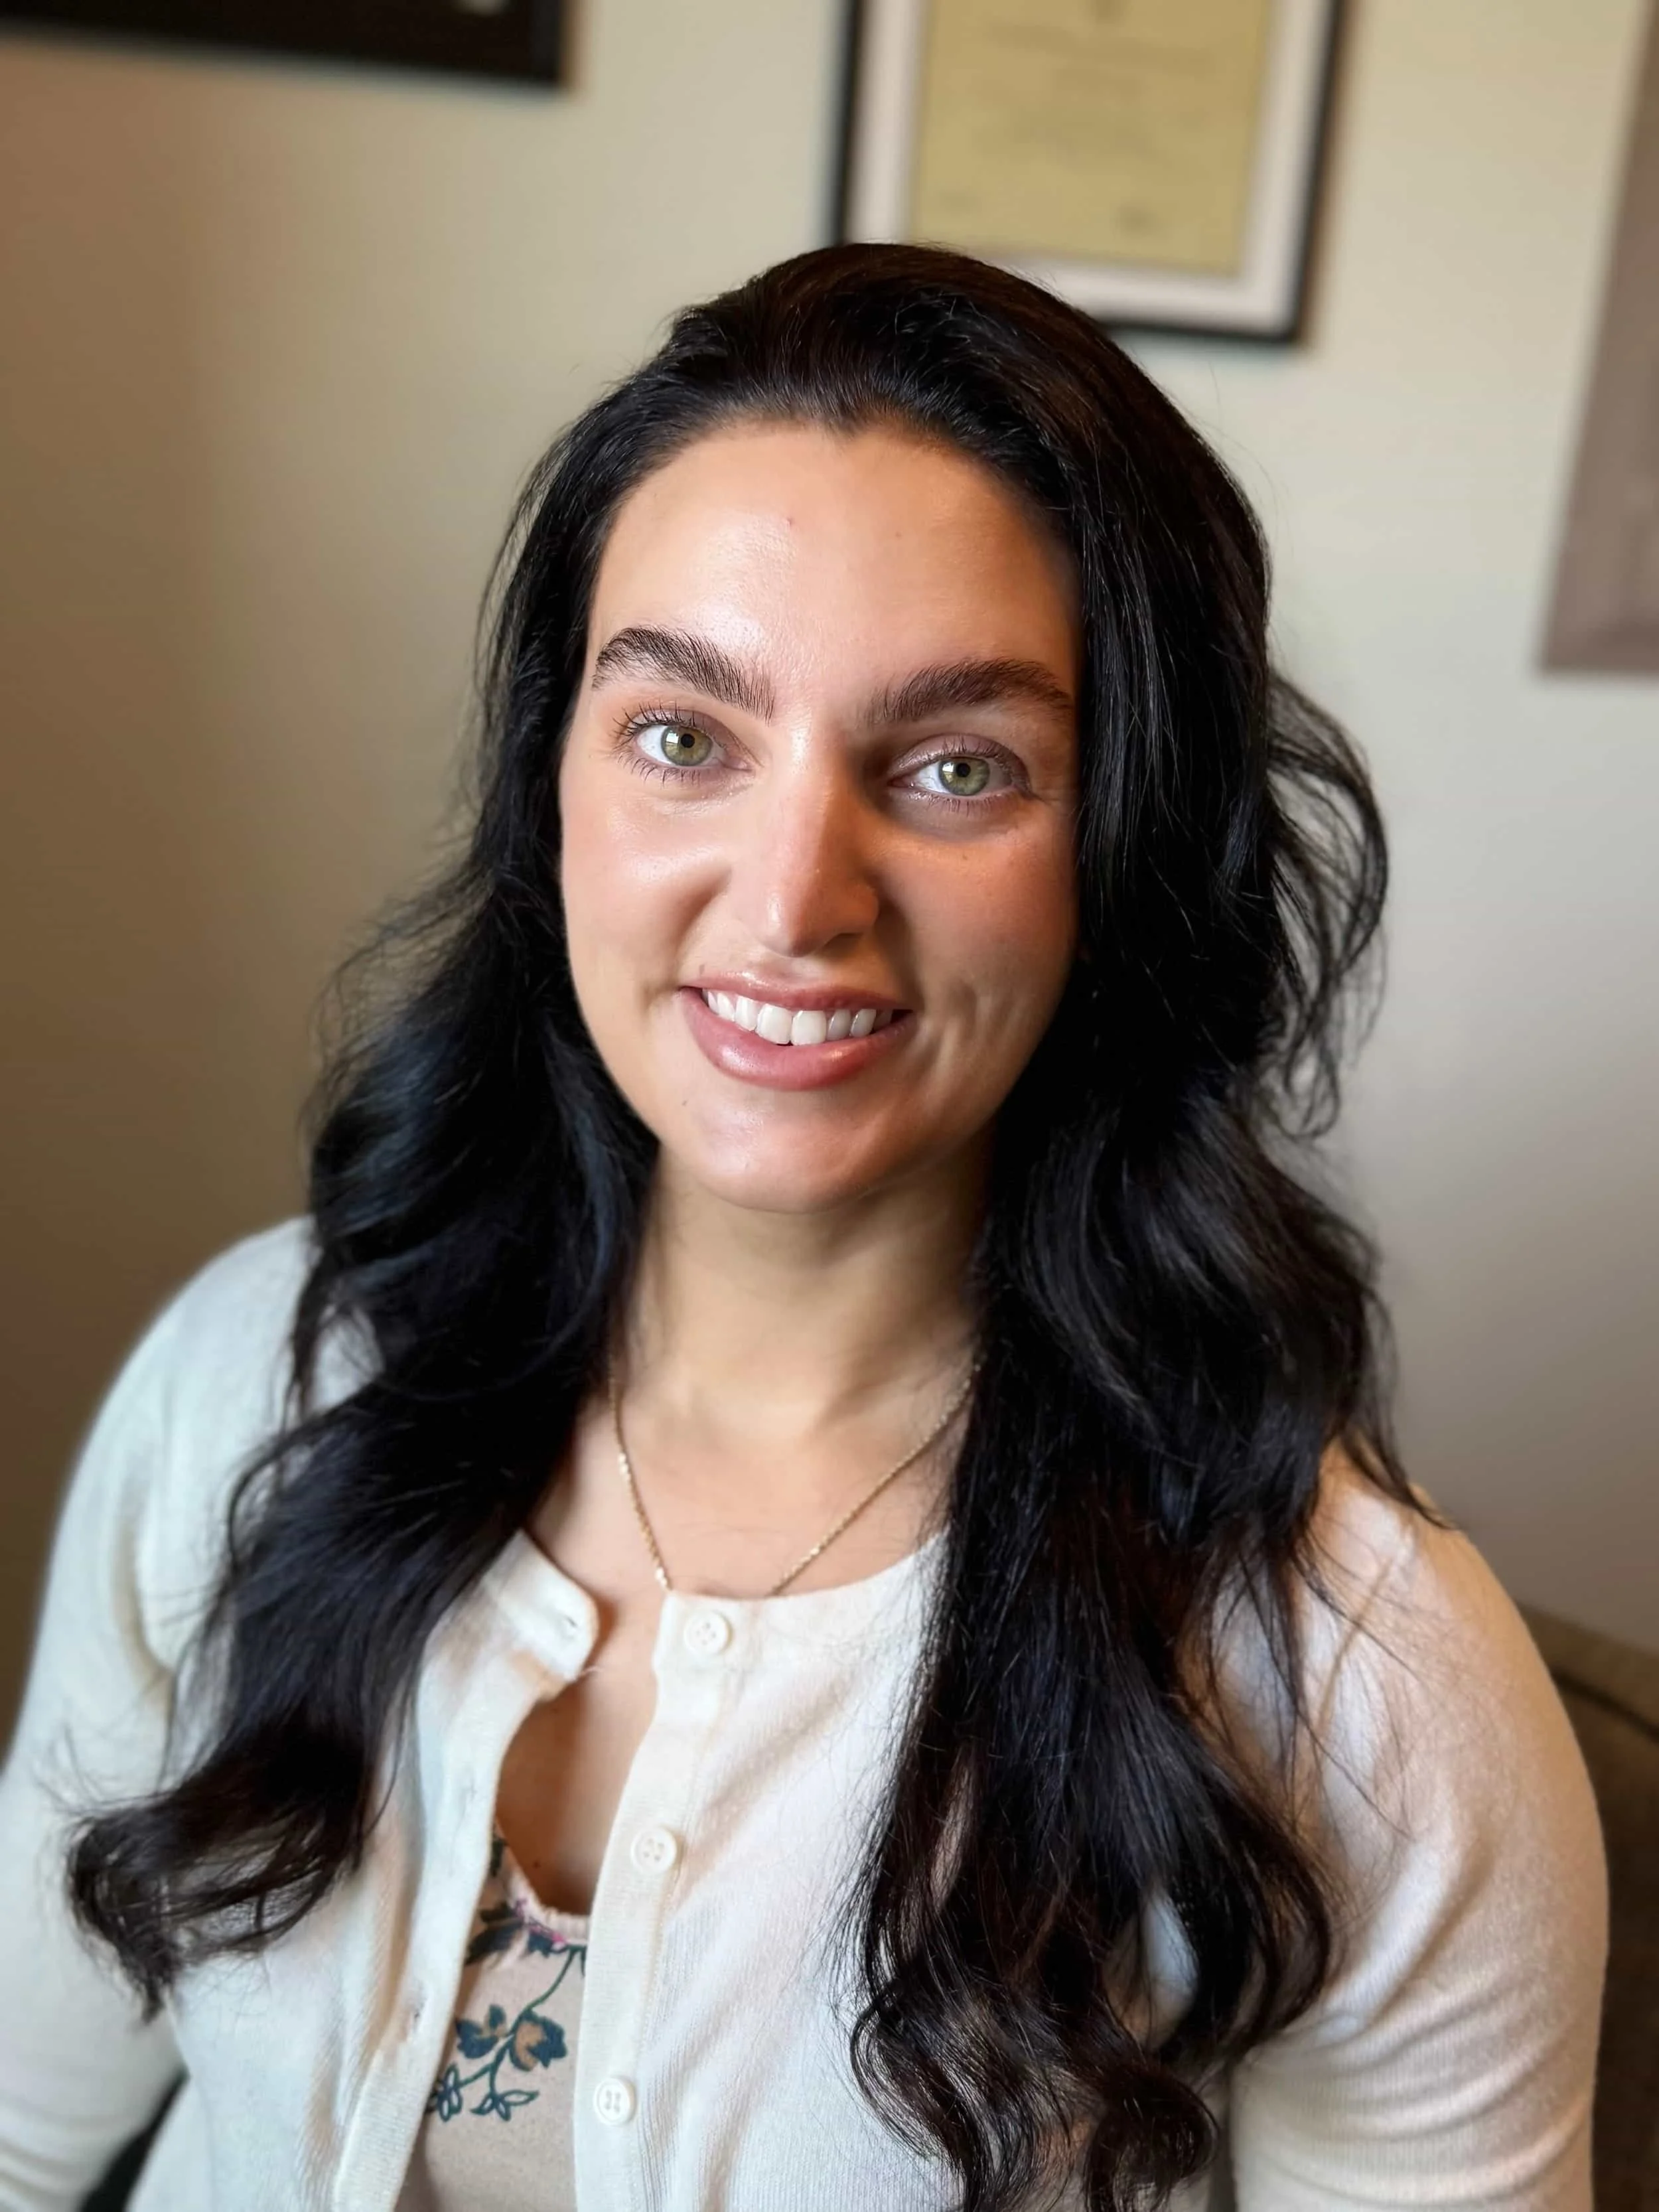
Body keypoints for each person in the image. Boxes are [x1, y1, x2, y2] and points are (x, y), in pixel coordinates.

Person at [0, 244, 1607, 2212]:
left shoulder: (1356, 1686)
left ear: (1122, 851)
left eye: (953, 765)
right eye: (685, 731)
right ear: (556, 789)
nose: (791, 898)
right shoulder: (257, 1378)